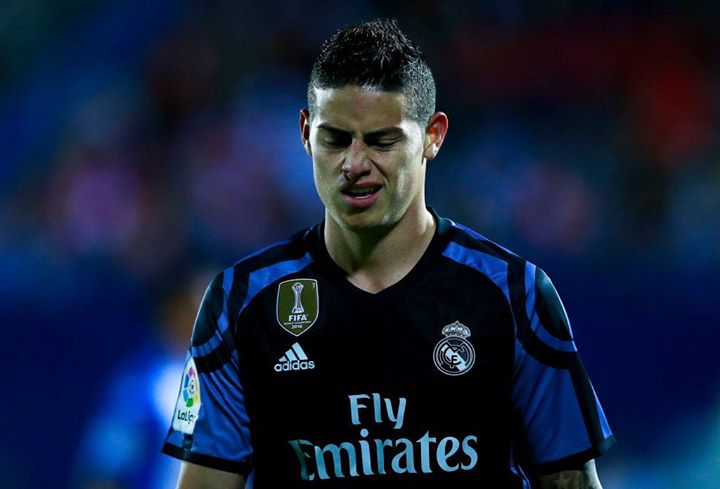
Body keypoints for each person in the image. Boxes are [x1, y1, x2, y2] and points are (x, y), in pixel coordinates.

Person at [162, 18, 615, 488]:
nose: (355, 164)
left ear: (433, 136)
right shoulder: (242, 302)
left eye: (382, 141)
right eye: (335, 139)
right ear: (305, 133)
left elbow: (570, 482)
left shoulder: (514, 294)